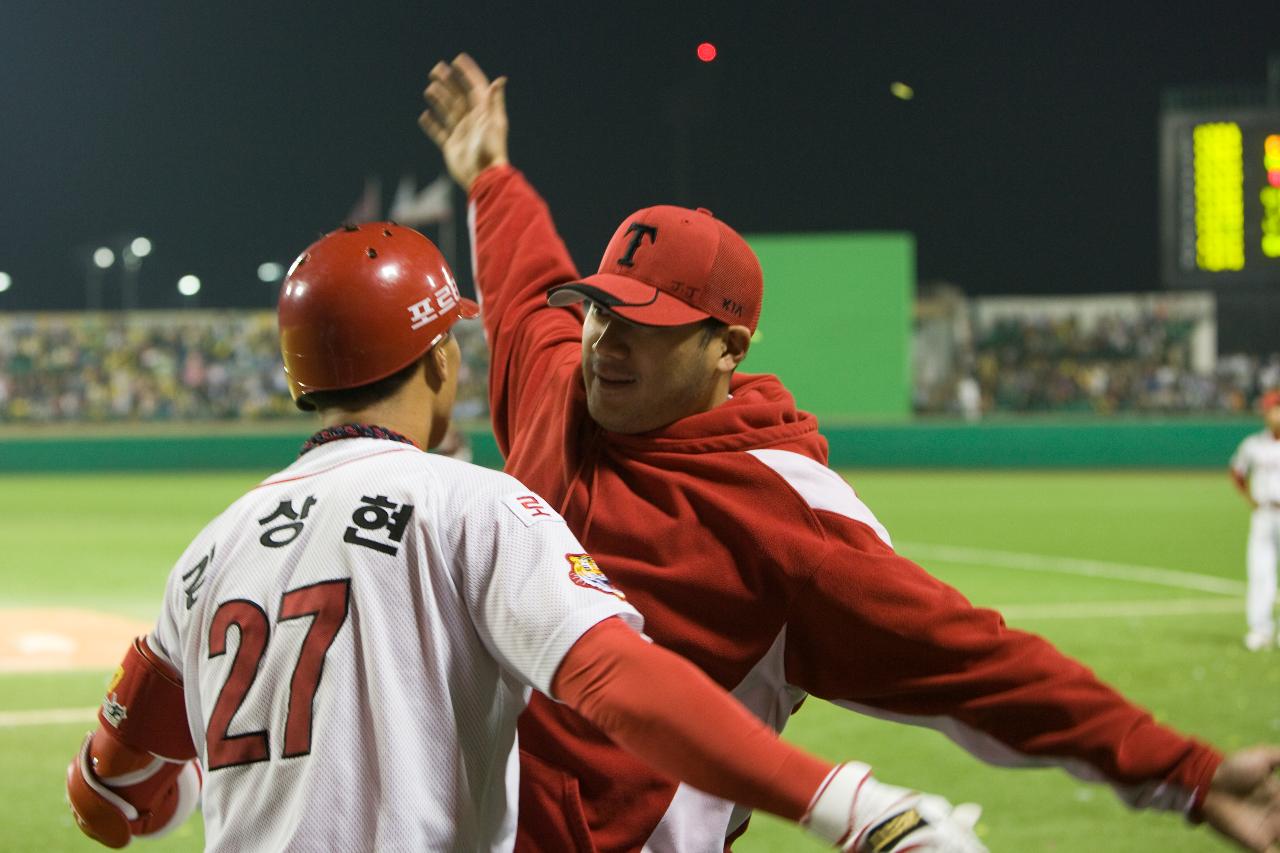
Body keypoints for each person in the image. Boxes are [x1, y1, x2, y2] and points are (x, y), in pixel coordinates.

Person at [418, 53, 1280, 852]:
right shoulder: (558, 382)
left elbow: (981, 666)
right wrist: (490, 173)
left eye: (651, 326)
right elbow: (529, 282)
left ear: (729, 346)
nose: (609, 341)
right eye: (606, 310)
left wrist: (1189, 775)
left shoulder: (788, 513)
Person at [64, 224, 986, 852]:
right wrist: (848, 804)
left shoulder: (206, 556)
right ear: (439, 360)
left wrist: (198, 788)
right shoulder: (482, 509)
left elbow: (106, 795)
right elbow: (630, 685)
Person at [1231, 390, 1280, 651]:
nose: (1273, 414)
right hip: (1264, 514)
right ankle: (1260, 629)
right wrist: (1250, 500)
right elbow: (1237, 472)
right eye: (1270, 409)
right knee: (1261, 572)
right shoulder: (1253, 445)